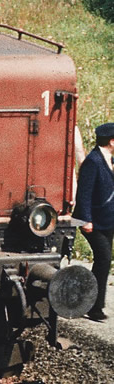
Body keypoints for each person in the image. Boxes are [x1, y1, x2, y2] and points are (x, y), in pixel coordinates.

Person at [73, 122, 114, 321]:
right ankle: (95, 308)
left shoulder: (110, 160)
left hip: (107, 220)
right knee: (104, 259)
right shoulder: (93, 161)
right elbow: (84, 194)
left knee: (103, 262)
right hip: (91, 222)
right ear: (112, 142)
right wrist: (85, 220)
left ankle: (86, 299)